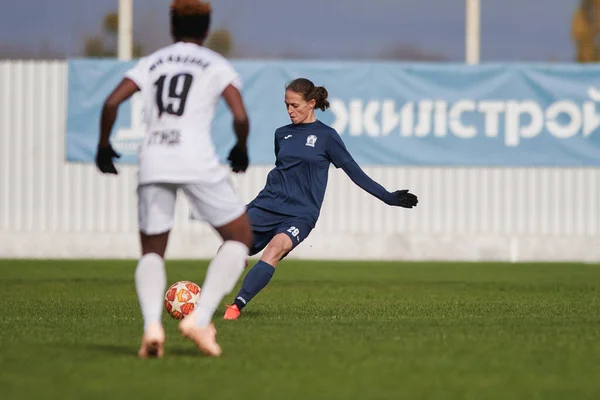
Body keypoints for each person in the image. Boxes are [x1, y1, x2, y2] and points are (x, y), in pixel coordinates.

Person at [95, 0, 253, 358]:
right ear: (207, 28)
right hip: (194, 158)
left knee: (152, 250)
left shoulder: (152, 62)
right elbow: (240, 115)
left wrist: (104, 146)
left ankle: (152, 327)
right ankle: (199, 319)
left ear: (171, 27)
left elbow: (110, 103)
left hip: (153, 157)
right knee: (240, 236)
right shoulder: (215, 63)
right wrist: (241, 148)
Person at [222, 78, 418, 320]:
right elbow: (282, 175)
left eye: (295, 105)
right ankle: (232, 265)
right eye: (286, 105)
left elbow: (354, 173)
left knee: (275, 248)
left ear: (311, 103)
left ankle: (236, 306)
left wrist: (387, 197)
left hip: (301, 213)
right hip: (267, 205)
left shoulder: (327, 136)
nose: (290, 111)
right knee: (227, 249)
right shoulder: (281, 134)